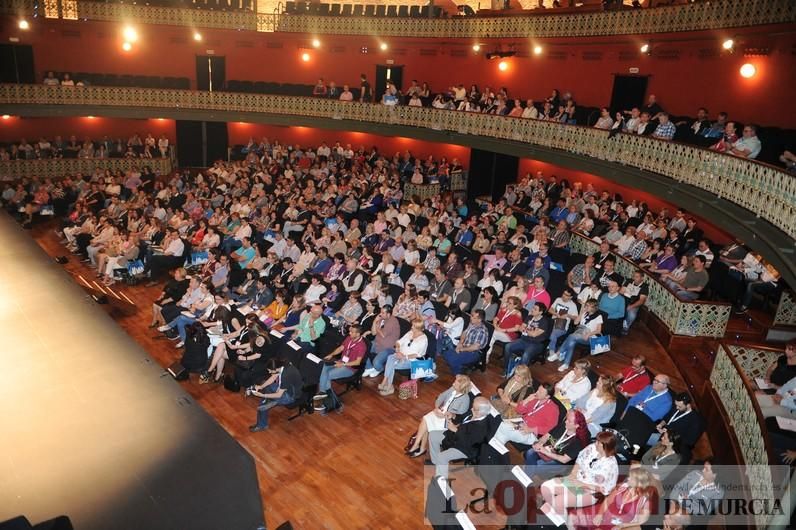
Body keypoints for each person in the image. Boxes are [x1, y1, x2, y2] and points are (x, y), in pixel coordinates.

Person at [541, 431, 619, 516]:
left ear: (605, 446)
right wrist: (573, 474)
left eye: (598, 443)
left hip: (590, 492)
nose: (595, 443)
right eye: (596, 441)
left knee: (558, 502)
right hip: (576, 480)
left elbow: (605, 489)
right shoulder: (592, 448)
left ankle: (561, 522)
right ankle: (552, 512)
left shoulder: (611, 465)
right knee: (545, 487)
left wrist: (582, 484)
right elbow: (579, 460)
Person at [405, 375, 472, 458]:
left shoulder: (465, 399)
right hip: (440, 413)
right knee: (426, 419)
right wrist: (436, 408)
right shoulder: (453, 389)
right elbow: (441, 396)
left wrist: (444, 415)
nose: (453, 383)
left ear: (461, 387)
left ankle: (418, 446)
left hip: (448, 422)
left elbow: (459, 418)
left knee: (426, 421)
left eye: (455, 383)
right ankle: (418, 447)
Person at [567, 467, 655, 530]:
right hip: (605, 510)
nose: (628, 479)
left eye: (631, 478)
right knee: (572, 517)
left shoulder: (645, 500)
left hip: (619, 522)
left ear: (639, 482)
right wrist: (600, 514)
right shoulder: (623, 486)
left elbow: (640, 522)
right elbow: (608, 500)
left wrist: (622, 526)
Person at [427, 396, 491, 479]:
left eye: (474, 409)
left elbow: (469, 442)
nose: (471, 409)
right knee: (433, 435)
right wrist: (453, 415)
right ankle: (436, 462)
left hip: (465, 448)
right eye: (473, 407)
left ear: (481, 412)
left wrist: (456, 430)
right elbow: (461, 417)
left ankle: (441, 482)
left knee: (442, 457)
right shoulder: (474, 413)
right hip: (455, 437)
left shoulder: (482, 427)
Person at [524, 409, 589, 480]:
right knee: (530, 452)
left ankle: (527, 477)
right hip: (547, 450)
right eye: (566, 419)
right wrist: (539, 443)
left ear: (576, 425)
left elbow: (564, 459)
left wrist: (545, 452)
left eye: (569, 421)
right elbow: (546, 436)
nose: (566, 422)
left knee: (538, 465)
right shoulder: (563, 426)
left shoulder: (579, 440)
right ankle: (529, 476)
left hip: (559, 461)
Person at [314, 325, 367, 411]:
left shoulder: (361, 346)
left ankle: (328, 400)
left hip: (349, 368)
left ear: (358, 334)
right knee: (322, 366)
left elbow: (357, 362)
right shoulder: (349, 338)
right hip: (341, 362)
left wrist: (343, 364)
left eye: (352, 332)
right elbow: (341, 348)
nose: (350, 333)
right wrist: (331, 355)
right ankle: (324, 395)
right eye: (350, 331)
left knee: (326, 375)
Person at [377, 318, 428, 396]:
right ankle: (387, 383)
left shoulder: (423, 339)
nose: (411, 327)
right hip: (400, 354)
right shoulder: (410, 333)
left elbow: (418, 355)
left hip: (411, 360)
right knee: (390, 357)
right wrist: (397, 348)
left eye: (413, 326)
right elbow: (399, 342)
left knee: (392, 365)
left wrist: (404, 356)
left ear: (418, 328)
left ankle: (388, 385)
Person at [248, 361, 303, 432]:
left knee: (262, 407)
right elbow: (273, 377)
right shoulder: (283, 366)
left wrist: (262, 395)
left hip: (290, 396)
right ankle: (270, 400)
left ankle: (262, 425)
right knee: (267, 388)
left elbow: (278, 394)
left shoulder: (285, 376)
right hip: (286, 388)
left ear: (275, 369)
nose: (269, 372)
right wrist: (261, 387)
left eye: (270, 371)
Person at [551, 298, 603, 372]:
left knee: (571, 336)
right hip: (579, 333)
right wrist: (581, 313)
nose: (586, 307)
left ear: (594, 308)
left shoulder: (598, 316)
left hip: (590, 337)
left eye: (589, 306)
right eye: (586, 305)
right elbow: (575, 323)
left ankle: (558, 353)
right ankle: (566, 364)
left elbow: (598, 330)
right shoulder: (584, 313)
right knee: (572, 341)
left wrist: (589, 334)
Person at [503, 302, 552, 374]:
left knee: (526, 355)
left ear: (540, 312)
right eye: (533, 308)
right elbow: (520, 328)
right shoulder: (529, 317)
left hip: (536, 344)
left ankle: (519, 374)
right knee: (508, 346)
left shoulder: (544, 322)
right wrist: (528, 330)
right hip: (523, 340)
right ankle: (507, 368)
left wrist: (526, 329)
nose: (532, 310)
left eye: (535, 309)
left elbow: (534, 334)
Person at [439, 310, 489, 375]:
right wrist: (460, 343)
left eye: (473, 317)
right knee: (445, 352)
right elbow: (464, 333)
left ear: (479, 320)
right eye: (471, 315)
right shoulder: (472, 323)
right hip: (465, 347)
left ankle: (458, 374)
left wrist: (462, 349)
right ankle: (459, 366)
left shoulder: (481, 331)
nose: (471, 318)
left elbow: (475, 347)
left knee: (452, 359)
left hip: (474, 353)